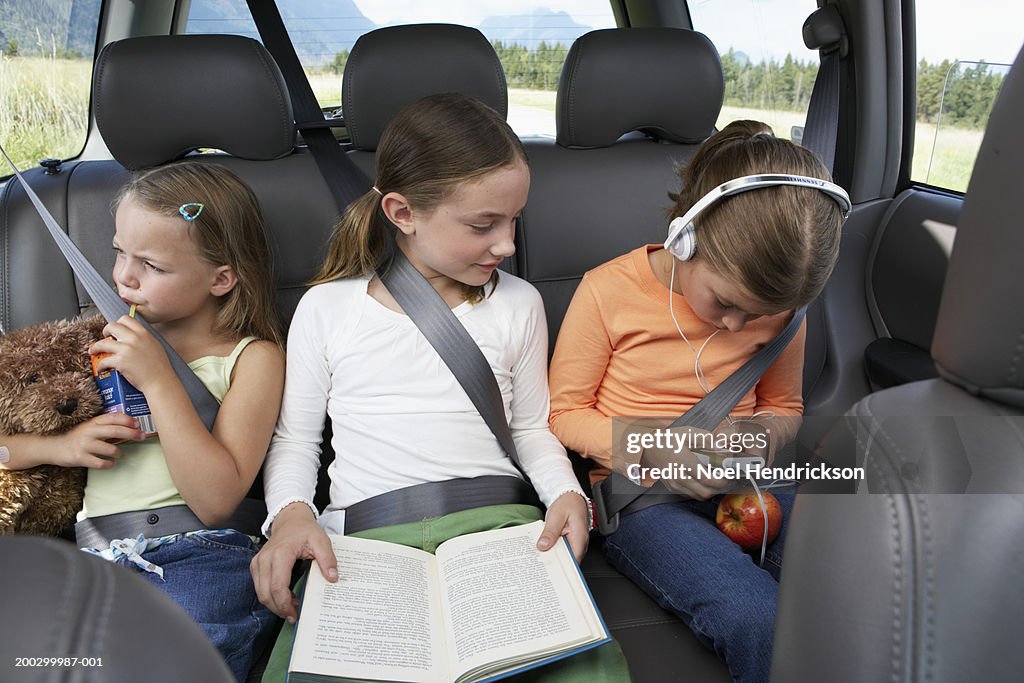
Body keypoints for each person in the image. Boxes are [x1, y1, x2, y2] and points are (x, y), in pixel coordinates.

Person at [251, 93, 630, 682]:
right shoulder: (327, 309)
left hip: (502, 532)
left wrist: (566, 494)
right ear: (403, 213)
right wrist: (292, 516)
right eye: (483, 225)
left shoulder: (519, 304)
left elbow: (530, 427)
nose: (506, 245)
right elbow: (296, 439)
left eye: (513, 222)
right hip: (365, 543)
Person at [548, 120, 847, 683]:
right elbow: (564, 413)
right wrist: (656, 448)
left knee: (849, 583)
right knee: (758, 618)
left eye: (756, 316)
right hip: (643, 497)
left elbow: (784, 407)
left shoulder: (780, 311)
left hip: (747, 482)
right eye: (727, 303)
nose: (738, 324)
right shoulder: (607, 290)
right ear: (684, 236)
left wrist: (750, 442)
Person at [0, 161, 285, 682]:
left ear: (222, 278)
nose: (123, 277)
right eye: (118, 252)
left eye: (151, 265)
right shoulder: (99, 338)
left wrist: (160, 382)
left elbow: (217, 500)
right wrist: (61, 449)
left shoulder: (252, 357)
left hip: (202, 557)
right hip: (94, 560)